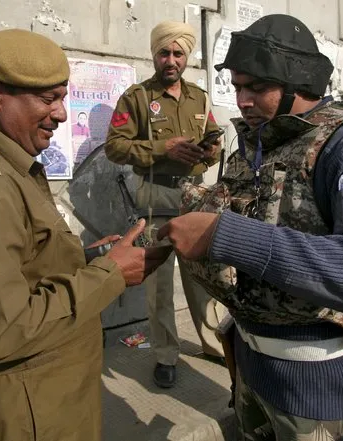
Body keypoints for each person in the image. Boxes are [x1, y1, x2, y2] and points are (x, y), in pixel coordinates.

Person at [158, 14, 343, 441]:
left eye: (255, 87)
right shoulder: (258, 141)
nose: (241, 100)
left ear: (299, 83)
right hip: (249, 369)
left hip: (313, 388)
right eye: (238, 87)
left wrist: (222, 235)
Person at [0, 29, 171, 441]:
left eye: (62, 97)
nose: (61, 114)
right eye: (47, 99)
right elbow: (0, 331)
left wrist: (92, 262)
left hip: (48, 394)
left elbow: (29, 268)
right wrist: (110, 276)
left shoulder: (14, 164)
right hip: (28, 410)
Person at [104, 20, 225, 389]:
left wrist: (210, 152)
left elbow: (212, 142)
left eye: (178, 53)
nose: (170, 59)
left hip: (194, 199)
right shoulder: (137, 97)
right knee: (159, 286)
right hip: (154, 201)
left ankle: (212, 344)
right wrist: (163, 148)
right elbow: (115, 148)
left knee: (202, 278)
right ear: (154, 54)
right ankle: (165, 356)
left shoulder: (200, 98)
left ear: (186, 57)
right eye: (164, 52)